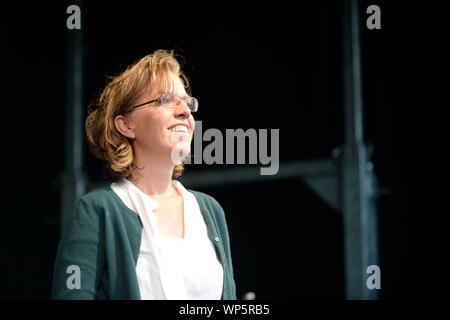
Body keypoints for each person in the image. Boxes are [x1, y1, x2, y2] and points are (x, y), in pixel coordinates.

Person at [51, 49, 236, 300]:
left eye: (187, 102)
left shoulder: (209, 210)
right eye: (165, 100)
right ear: (126, 125)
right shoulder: (97, 211)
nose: (185, 112)